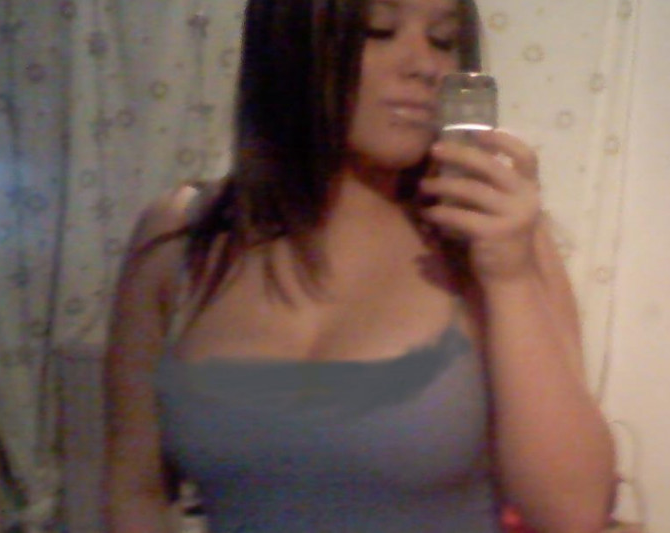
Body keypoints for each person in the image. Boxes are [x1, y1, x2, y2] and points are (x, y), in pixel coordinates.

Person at [103, 0, 617, 531]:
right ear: (290, 42)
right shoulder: (181, 240)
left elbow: (572, 511)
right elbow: (134, 489)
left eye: (442, 39)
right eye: (380, 30)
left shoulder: (489, 240)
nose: (425, 65)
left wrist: (509, 278)